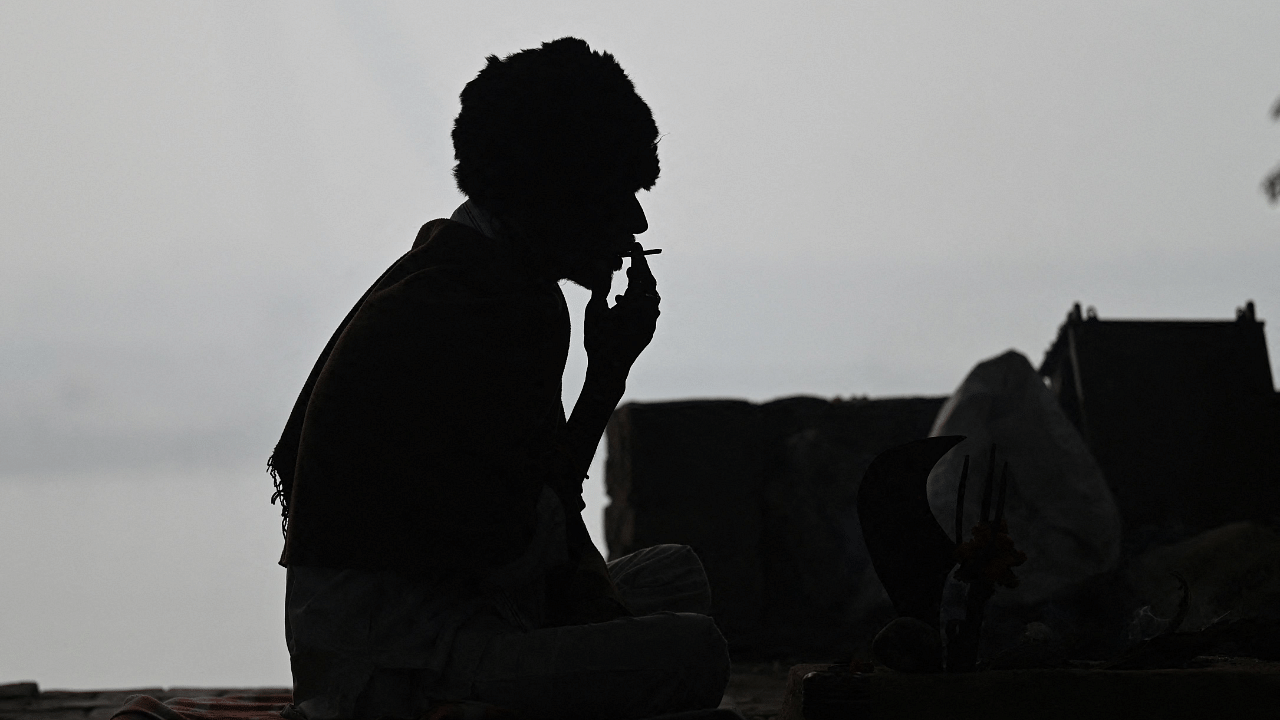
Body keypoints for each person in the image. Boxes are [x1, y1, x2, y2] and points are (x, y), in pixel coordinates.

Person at [267, 37, 731, 720]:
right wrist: (603, 384)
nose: (636, 222)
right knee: (695, 654)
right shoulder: (489, 311)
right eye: (618, 196)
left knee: (673, 576)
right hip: (395, 668)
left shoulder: (474, 269)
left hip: (439, 619)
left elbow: (523, 520)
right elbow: (518, 548)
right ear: (556, 198)